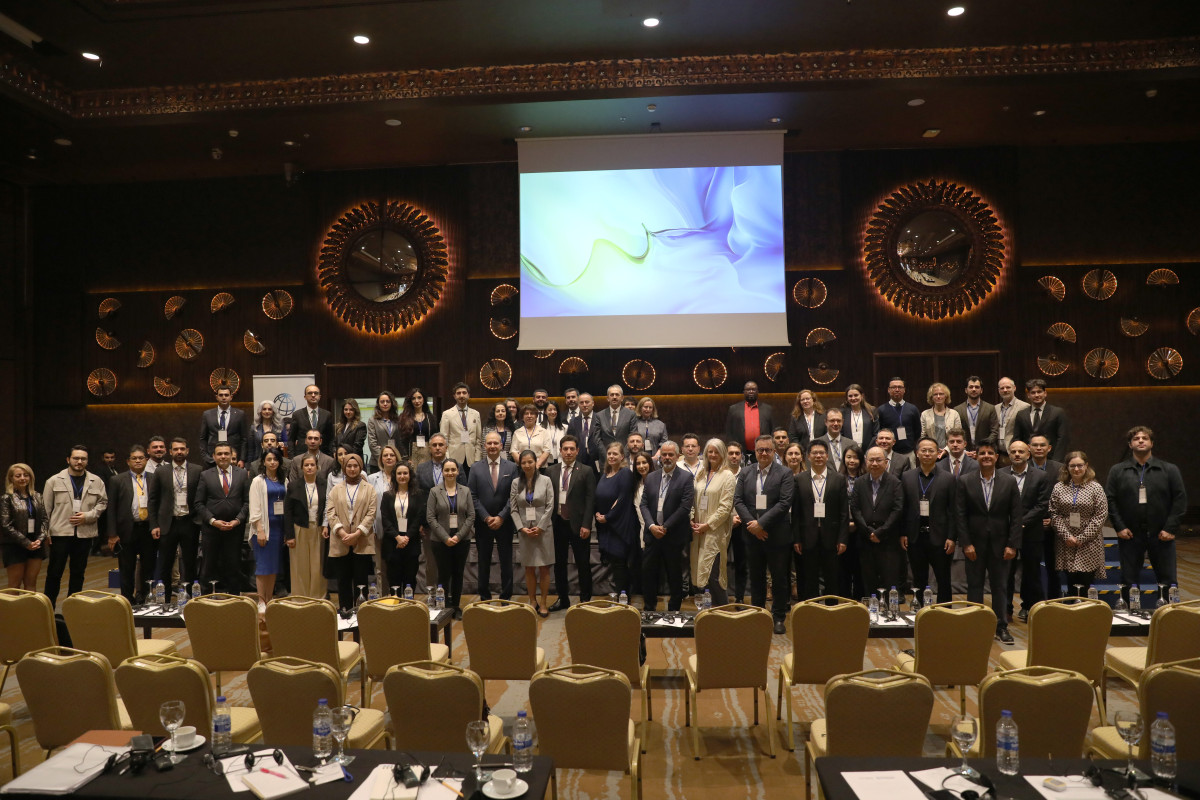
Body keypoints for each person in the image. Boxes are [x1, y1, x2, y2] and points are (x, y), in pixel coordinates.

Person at [1105, 426, 1186, 605]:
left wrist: (1170, 528)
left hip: (1162, 534)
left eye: (1145, 438)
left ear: (1152, 443)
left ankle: (1168, 614)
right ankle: (1128, 614)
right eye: (1136, 438)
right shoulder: (1118, 470)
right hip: (1130, 534)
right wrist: (1119, 527)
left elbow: (1180, 500)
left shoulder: (1169, 469)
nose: (1141, 441)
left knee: (1167, 579)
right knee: (1128, 580)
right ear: (1130, 444)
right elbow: (1110, 500)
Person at [955, 443, 1022, 643]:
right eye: (982, 453)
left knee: (1000, 587)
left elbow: (1016, 516)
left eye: (990, 453)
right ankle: (975, 626)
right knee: (974, 586)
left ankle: (1001, 627)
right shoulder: (965, 481)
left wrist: (1012, 544)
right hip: (974, 545)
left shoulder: (1009, 481)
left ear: (996, 457)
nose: (986, 456)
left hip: (1001, 545)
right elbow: (960, 515)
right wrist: (966, 543)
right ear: (976, 456)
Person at [734, 434, 794, 633]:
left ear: (774, 451)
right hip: (752, 535)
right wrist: (753, 525)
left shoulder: (785, 473)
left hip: (776, 535)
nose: (764, 453)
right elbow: (738, 500)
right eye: (760, 450)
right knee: (756, 578)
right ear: (755, 452)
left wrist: (761, 524)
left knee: (779, 579)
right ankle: (758, 614)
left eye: (768, 450)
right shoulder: (745, 472)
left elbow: (784, 503)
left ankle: (778, 617)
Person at [43, 446, 108, 608]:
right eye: (76, 458)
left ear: (87, 461)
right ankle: (48, 609)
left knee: (78, 573)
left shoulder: (96, 481)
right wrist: (45, 533)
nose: (79, 462)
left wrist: (88, 516)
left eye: (83, 459)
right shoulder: (53, 481)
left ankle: (73, 609)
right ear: (68, 460)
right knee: (54, 573)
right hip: (60, 533)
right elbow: (45, 510)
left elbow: (103, 503)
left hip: (84, 533)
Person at [901, 438, 957, 605]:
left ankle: (944, 612)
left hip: (940, 537)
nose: (927, 454)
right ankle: (920, 611)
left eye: (931, 450)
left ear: (938, 453)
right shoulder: (907, 477)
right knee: (919, 579)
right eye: (923, 450)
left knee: (943, 578)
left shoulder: (948, 478)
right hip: (915, 536)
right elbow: (903, 508)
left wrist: (952, 537)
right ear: (917, 453)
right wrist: (903, 533)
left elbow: (953, 511)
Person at [641, 440, 695, 613]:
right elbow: (643, 504)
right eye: (664, 454)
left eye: (670, 454)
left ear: (678, 456)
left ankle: (674, 611)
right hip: (652, 534)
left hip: (673, 535)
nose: (667, 457)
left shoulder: (686, 477)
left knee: (674, 576)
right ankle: (649, 609)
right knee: (648, 574)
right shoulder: (651, 477)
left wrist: (665, 527)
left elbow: (685, 507)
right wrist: (651, 526)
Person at [1001, 440, 1052, 621]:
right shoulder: (1000, 474)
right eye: (1013, 451)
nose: (1017, 454)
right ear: (1009, 455)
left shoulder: (1041, 476)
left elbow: (1042, 505)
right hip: (1006, 532)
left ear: (1028, 454)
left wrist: (1021, 522)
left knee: (1032, 573)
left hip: (1031, 532)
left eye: (1021, 451)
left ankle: (1030, 608)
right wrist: (1012, 524)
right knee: (1006, 573)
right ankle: (1005, 609)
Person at [793, 440, 848, 600]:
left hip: (832, 537)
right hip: (807, 537)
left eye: (821, 453)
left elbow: (844, 512)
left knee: (832, 578)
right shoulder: (799, 479)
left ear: (827, 456)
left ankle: (831, 611)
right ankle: (811, 611)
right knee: (809, 578)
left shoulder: (838, 479)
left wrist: (842, 539)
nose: (818, 456)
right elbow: (796, 513)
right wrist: (797, 538)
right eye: (814, 453)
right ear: (808, 456)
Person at [468, 431, 519, 601]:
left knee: (506, 561)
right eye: (489, 443)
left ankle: (506, 597)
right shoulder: (475, 468)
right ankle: (484, 596)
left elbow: (514, 496)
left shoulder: (511, 467)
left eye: (495, 443)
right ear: (484, 446)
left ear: (501, 446)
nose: (492, 446)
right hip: (483, 523)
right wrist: (486, 517)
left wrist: (502, 517)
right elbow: (472, 495)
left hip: (505, 522)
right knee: (483, 561)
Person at [849, 446, 905, 601]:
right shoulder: (859, 482)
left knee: (889, 581)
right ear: (866, 462)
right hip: (865, 539)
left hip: (888, 540)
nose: (874, 463)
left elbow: (897, 510)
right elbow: (855, 508)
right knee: (868, 581)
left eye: (878, 460)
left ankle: (889, 613)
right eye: (871, 460)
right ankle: (871, 613)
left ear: (886, 462)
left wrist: (880, 532)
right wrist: (868, 531)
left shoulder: (895, 483)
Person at [547, 435, 596, 610]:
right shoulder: (551, 471)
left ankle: (585, 600)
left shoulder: (586, 471)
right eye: (565, 449)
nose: (568, 452)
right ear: (560, 451)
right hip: (557, 523)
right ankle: (563, 599)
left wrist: (587, 524)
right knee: (559, 564)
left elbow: (590, 500)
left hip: (579, 525)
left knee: (583, 563)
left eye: (572, 449)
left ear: (577, 451)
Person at [1049, 452, 1108, 597]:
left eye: (1080, 465)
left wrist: (1082, 538)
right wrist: (1067, 536)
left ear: (1086, 466)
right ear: (1067, 467)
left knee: (1085, 581)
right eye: (1072, 466)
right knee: (1071, 581)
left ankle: (1084, 609)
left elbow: (1101, 515)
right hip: (1066, 541)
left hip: (1089, 541)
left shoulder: (1095, 487)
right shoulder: (1059, 487)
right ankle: (1071, 609)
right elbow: (1054, 513)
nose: (1076, 469)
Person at [195, 442, 250, 595]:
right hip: (212, 529)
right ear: (213, 456)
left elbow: (247, 502)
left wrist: (237, 520)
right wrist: (213, 521)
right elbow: (199, 503)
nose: (223, 456)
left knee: (233, 566)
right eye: (219, 454)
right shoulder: (205, 475)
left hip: (235, 529)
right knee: (208, 566)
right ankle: (205, 600)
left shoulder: (242, 474)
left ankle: (235, 600)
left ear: (232, 456)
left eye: (226, 453)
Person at [324, 453, 377, 611]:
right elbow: (330, 513)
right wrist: (342, 533)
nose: (352, 469)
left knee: (361, 580)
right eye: (349, 466)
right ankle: (345, 611)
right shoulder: (335, 489)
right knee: (343, 580)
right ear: (344, 468)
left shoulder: (369, 489)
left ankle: (361, 612)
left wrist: (357, 534)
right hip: (341, 540)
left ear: (360, 467)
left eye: (355, 466)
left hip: (361, 540)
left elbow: (371, 513)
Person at [107, 445, 158, 605]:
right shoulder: (117, 480)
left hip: (148, 529)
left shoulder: (154, 478)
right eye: (134, 458)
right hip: (126, 530)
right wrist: (112, 534)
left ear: (146, 460)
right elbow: (111, 508)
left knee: (148, 566)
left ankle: (144, 597)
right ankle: (127, 599)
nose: (137, 461)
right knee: (126, 567)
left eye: (141, 458)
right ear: (128, 461)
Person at [151, 437, 202, 598]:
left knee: (190, 562)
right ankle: (165, 599)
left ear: (187, 451)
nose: (179, 452)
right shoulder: (161, 471)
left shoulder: (197, 470)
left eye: (182, 449)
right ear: (170, 452)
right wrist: (154, 524)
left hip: (190, 522)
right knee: (165, 563)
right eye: (176, 449)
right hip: (168, 523)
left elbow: (202, 497)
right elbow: (153, 499)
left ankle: (190, 598)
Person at [691, 438, 736, 605]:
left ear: (722, 454)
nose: (713, 455)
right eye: (710, 451)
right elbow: (692, 500)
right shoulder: (701, 474)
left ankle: (721, 610)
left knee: (714, 574)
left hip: (714, 531)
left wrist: (708, 525)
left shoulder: (727, 476)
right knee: (701, 573)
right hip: (698, 530)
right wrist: (691, 518)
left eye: (717, 451)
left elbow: (726, 507)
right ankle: (707, 613)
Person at [426, 458, 474, 618]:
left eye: (453, 469)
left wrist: (459, 536)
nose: (450, 473)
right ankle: (444, 605)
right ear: (442, 472)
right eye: (447, 470)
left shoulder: (465, 491)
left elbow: (471, 516)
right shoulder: (434, 491)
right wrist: (446, 537)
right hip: (440, 541)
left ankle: (455, 606)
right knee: (443, 574)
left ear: (458, 471)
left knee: (458, 573)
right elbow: (430, 517)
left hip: (462, 540)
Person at [510, 450, 555, 616]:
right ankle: (532, 600)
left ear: (536, 463)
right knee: (528, 567)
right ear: (520, 464)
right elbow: (513, 509)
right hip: (525, 531)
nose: (527, 465)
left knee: (544, 567)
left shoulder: (546, 480)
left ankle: (543, 602)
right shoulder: (516, 483)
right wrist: (521, 528)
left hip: (543, 530)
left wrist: (541, 526)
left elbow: (550, 505)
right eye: (524, 462)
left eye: (530, 462)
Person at [594, 441, 638, 598]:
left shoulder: (625, 473)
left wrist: (608, 517)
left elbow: (623, 499)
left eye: (615, 454)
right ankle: (620, 594)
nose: (611, 456)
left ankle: (624, 599)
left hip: (619, 525)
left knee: (620, 563)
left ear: (622, 456)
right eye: (609, 453)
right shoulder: (605, 475)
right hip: (606, 526)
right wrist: (598, 514)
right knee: (614, 563)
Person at [248, 448, 287, 611]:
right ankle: (261, 601)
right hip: (264, 528)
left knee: (273, 567)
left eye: (275, 459)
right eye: (269, 459)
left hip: (279, 528)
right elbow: (254, 507)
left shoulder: (283, 480)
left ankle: (269, 599)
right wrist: (260, 529)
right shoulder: (258, 481)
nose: (272, 462)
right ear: (263, 462)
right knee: (263, 567)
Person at [283, 453, 327, 599]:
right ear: (301, 467)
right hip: (299, 529)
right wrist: (289, 535)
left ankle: (318, 598)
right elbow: (288, 512)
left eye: (312, 465)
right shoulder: (293, 485)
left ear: (317, 467)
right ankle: (300, 598)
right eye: (306, 465)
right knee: (300, 566)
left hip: (318, 529)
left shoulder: (324, 484)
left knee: (317, 566)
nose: (309, 467)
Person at [1, 462, 49, 590]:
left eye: (26, 475)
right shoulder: (7, 498)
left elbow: (45, 520)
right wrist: (26, 542)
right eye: (18, 476)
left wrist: (40, 539)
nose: (22, 478)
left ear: (30, 477)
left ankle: (30, 605)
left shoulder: (37, 496)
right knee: (14, 585)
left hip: (36, 544)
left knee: (31, 583)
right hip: (15, 545)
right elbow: (6, 525)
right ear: (11, 478)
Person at [380, 460, 425, 595]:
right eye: (399, 473)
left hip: (411, 542)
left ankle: (408, 605)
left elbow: (418, 518)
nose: (402, 476)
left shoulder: (418, 495)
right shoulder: (387, 496)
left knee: (410, 578)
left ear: (410, 475)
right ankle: (396, 605)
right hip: (392, 542)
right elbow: (385, 519)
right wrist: (397, 537)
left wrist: (406, 537)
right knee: (394, 579)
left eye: (405, 473)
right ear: (395, 476)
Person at [366, 444, 401, 590]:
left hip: (399, 528)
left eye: (392, 455)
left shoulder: (402, 476)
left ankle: (397, 597)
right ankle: (382, 598)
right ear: (380, 459)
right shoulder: (371, 479)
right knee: (380, 567)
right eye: (385, 455)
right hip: (379, 527)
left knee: (398, 566)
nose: (388, 458)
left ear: (396, 458)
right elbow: (369, 504)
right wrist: (372, 527)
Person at [1013, 378, 1070, 462]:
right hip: (1028, 460)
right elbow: (1017, 438)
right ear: (1028, 395)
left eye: (1039, 392)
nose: (1036, 395)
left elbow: (1062, 439)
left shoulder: (1057, 412)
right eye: (1033, 392)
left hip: (1051, 460)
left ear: (1045, 393)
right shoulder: (1021, 414)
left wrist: (1056, 461)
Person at [838, 444, 866, 600]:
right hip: (843, 529)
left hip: (862, 529)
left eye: (855, 457)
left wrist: (857, 523)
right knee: (843, 568)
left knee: (860, 567)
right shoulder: (837, 478)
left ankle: (859, 602)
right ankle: (845, 601)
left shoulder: (867, 478)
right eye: (848, 457)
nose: (852, 460)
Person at [199, 386, 248, 468]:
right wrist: (206, 457)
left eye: (226, 395)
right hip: (213, 459)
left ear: (231, 397)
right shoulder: (207, 414)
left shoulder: (240, 414)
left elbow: (244, 439)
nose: (224, 397)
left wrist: (242, 459)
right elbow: (203, 439)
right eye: (221, 395)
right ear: (217, 397)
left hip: (233, 458)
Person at [725, 442, 748, 603]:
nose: (734, 456)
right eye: (731, 453)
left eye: (737, 453)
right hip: (723, 523)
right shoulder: (720, 474)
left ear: (741, 456)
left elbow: (751, 499)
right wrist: (729, 518)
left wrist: (740, 517)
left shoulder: (747, 474)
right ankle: (721, 597)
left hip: (742, 523)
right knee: (720, 563)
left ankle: (739, 598)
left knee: (741, 563)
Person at [441, 382, 483, 472]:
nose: (461, 395)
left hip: (471, 459)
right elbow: (444, 439)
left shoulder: (476, 414)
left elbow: (478, 439)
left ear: (468, 395)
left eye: (464, 393)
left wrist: (477, 458)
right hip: (453, 458)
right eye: (458, 393)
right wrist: (447, 458)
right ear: (454, 396)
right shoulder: (447, 414)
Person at [726, 381, 775, 456]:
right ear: (744, 392)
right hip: (741, 452)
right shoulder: (734, 409)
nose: (751, 391)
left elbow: (773, 430)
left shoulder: (768, 409)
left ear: (757, 392)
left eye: (753, 389)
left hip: (763, 452)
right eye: (748, 389)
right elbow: (729, 432)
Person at [875, 377, 921, 457]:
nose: (897, 390)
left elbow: (917, 431)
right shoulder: (881, 410)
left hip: (908, 452)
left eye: (900, 387)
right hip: (888, 453)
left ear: (904, 390)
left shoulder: (912, 409)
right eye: (893, 387)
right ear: (888, 390)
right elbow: (878, 431)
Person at [954, 376, 999, 456]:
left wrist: (983, 446)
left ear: (981, 390)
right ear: (966, 390)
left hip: (984, 451)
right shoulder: (957, 409)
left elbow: (994, 431)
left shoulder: (990, 408)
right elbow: (956, 432)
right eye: (971, 387)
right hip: (964, 452)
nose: (974, 389)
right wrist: (963, 450)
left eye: (977, 387)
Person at [289, 384, 335, 457]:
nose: (313, 395)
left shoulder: (327, 415)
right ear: (305, 397)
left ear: (319, 396)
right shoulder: (297, 415)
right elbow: (291, 439)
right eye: (310, 393)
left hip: (322, 455)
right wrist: (292, 458)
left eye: (316, 393)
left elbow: (331, 438)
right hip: (302, 455)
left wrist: (330, 456)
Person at [920, 382, 962, 454]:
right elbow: (923, 436)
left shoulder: (954, 414)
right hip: (931, 452)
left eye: (941, 394)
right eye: (935, 394)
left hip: (950, 452)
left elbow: (958, 435)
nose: (938, 396)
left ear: (946, 396)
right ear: (931, 397)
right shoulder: (925, 414)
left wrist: (946, 450)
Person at [596, 385, 637, 459]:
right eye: (612, 395)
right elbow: (597, 439)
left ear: (622, 398)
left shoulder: (631, 414)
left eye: (617, 394)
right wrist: (607, 455)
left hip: (625, 458)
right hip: (606, 459)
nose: (614, 397)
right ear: (607, 398)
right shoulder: (599, 415)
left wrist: (622, 455)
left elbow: (632, 436)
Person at [995, 377, 1030, 461]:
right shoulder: (995, 408)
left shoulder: (1024, 407)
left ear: (1014, 388)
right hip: (998, 453)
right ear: (999, 390)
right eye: (1002, 388)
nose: (1005, 390)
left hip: (1015, 453)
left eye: (1008, 387)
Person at [366, 390, 400, 474]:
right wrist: (383, 459)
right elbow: (372, 444)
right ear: (378, 404)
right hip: (377, 463)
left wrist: (394, 459)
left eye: (388, 401)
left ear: (392, 403)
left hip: (394, 462)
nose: (385, 404)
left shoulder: (397, 420)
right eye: (382, 402)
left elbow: (400, 441)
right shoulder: (372, 420)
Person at [398, 387, 434, 466]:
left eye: (419, 398)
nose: (417, 401)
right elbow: (401, 440)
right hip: (411, 455)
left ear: (423, 399)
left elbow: (434, 437)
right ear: (410, 401)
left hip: (427, 453)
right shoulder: (404, 417)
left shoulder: (430, 418)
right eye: (413, 398)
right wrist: (406, 458)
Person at [565, 393, 599, 471]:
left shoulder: (599, 419)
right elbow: (570, 440)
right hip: (579, 459)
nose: (584, 405)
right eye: (581, 402)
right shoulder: (573, 421)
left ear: (593, 403)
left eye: (587, 402)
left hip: (596, 459)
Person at [247, 400, 286, 467]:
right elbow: (251, 449)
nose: (267, 411)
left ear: (273, 411)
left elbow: (287, 442)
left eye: (269, 409)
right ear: (260, 411)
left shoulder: (280, 427)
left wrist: (282, 444)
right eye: (264, 409)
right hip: (258, 461)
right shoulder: (254, 428)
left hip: (276, 461)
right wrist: (248, 466)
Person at [841, 384, 877, 451]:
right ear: (847, 398)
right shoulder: (842, 413)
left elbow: (876, 433)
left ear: (862, 396)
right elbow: (841, 434)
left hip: (868, 451)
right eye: (850, 396)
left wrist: (869, 451)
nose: (853, 398)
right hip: (848, 451)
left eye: (856, 395)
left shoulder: (871, 411)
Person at [333, 398, 368, 464]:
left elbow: (357, 447)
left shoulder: (360, 425)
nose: (348, 412)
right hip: (339, 462)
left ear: (355, 411)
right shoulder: (338, 426)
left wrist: (346, 458)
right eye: (346, 409)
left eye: (351, 410)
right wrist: (335, 452)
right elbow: (334, 443)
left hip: (353, 461)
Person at [634, 397, 668, 461]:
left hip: (656, 457)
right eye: (645, 407)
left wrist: (657, 455)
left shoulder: (660, 424)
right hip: (637, 457)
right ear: (640, 407)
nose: (648, 409)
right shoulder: (634, 423)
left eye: (650, 407)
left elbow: (664, 442)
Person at [541, 400, 566, 466]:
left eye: (555, 409)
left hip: (560, 460)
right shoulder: (539, 427)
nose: (553, 412)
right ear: (545, 412)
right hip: (545, 461)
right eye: (550, 410)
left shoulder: (565, 427)